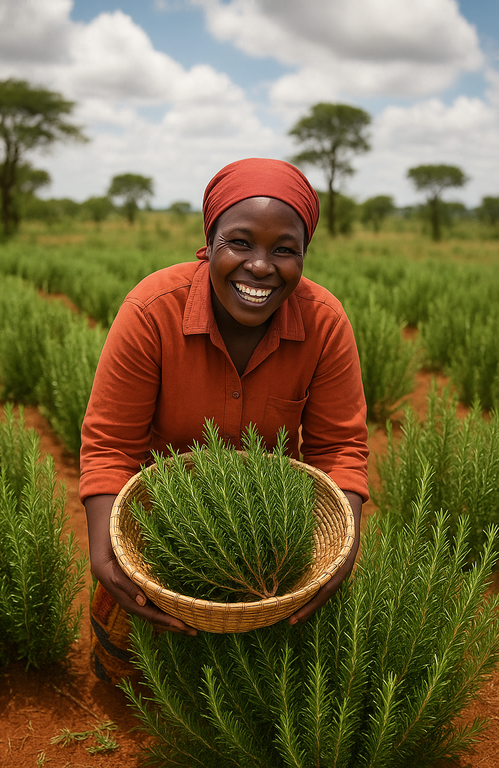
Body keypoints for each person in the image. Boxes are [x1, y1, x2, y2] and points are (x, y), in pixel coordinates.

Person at [80, 157, 369, 682]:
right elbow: (110, 446)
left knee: (283, 692)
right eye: (239, 242)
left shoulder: (324, 322)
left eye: (284, 249)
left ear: (303, 256)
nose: (261, 265)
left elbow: (339, 450)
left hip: (272, 541)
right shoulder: (152, 310)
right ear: (209, 241)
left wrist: (340, 549)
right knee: (136, 680)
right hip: (162, 530)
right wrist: (107, 555)